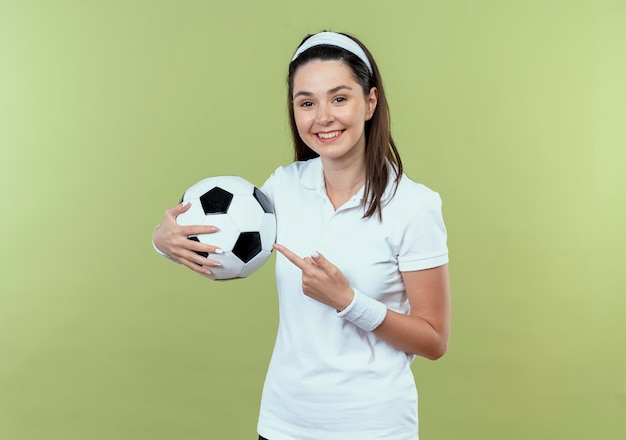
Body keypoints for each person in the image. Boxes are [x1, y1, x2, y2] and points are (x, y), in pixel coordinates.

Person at [152, 31, 451, 440]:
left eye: (339, 98)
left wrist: (348, 302)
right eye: (306, 102)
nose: (322, 117)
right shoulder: (283, 188)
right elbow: (218, 242)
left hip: (374, 427)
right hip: (284, 424)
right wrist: (164, 241)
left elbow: (434, 340)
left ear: (371, 102)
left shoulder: (413, 205)